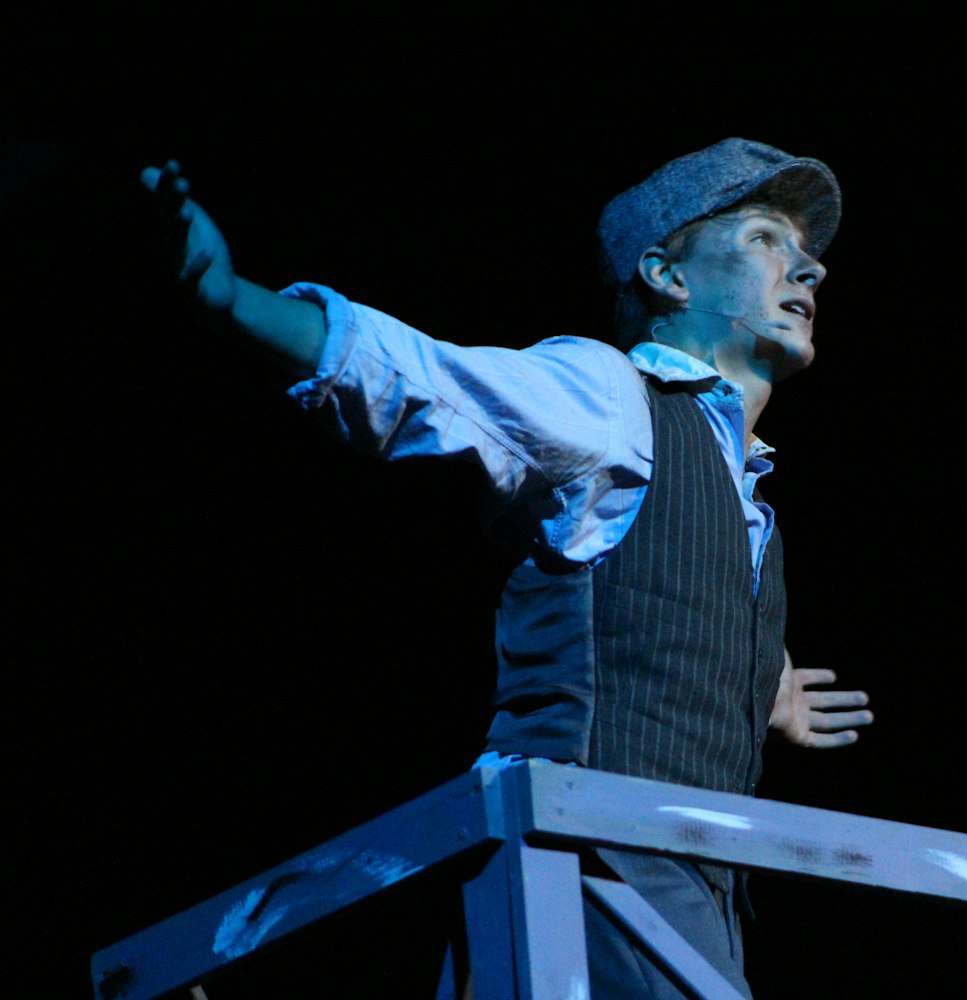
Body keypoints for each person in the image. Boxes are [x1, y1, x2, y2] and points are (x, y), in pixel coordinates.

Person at [141, 137, 873, 998]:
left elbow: (659, 616)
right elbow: (427, 380)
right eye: (764, 240)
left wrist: (757, 682)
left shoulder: (744, 495)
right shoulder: (608, 397)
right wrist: (235, 301)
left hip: (689, 881)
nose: (809, 268)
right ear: (668, 277)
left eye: (805, 250)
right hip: (592, 854)